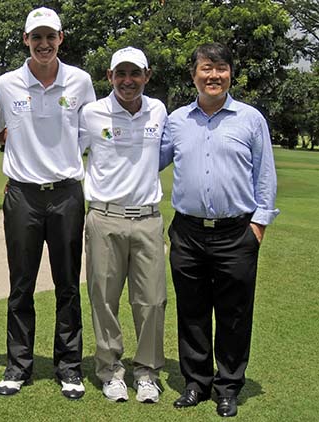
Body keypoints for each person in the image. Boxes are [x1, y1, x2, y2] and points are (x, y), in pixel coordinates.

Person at [160, 42, 279, 418]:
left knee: (234, 313)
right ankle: (196, 382)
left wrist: (258, 225)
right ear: (193, 75)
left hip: (236, 232)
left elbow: (265, 175)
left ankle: (228, 386)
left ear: (230, 73)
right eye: (206, 69)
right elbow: (149, 161)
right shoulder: (177, 120)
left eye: (221, 68)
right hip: (188, 232)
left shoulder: (250, 119)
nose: (214, 75)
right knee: (191, 312)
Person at [0, 7, 96, 399]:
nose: (44, 44)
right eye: (37, 37)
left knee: (67, 285)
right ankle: (18, 366)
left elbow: (89, 133)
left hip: (66, 193)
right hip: (23, 196)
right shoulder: (6, 83)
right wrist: (22, 153)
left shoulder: (80, 81)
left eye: (50, 37)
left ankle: (69, 367)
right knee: (21, 285)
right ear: (26, 40)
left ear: (61, 38)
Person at [79, 47, 167, 404]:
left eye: (135, 74)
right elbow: (70, 152)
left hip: (147, 218)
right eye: (121, 74)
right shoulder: (91, 113)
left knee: (152, 302)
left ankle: (146, 373)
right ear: (109, 76)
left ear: (147, 75)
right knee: (104, 299)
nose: (128, 81)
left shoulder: (158, 110)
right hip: (104, 216)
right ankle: (110, 370)